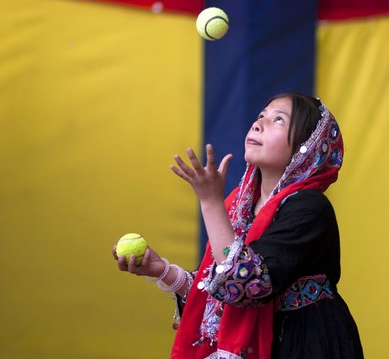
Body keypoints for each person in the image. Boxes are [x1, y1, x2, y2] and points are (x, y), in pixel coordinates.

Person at [112, 93, 364, 359]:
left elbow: (245, 284)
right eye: (261, 116)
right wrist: (162, 270)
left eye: (278, 120)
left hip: (304, 343)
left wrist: (210, 203)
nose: (258, 124)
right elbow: (218, 288)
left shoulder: (309, 208)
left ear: (308, 145)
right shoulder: (240, 204)